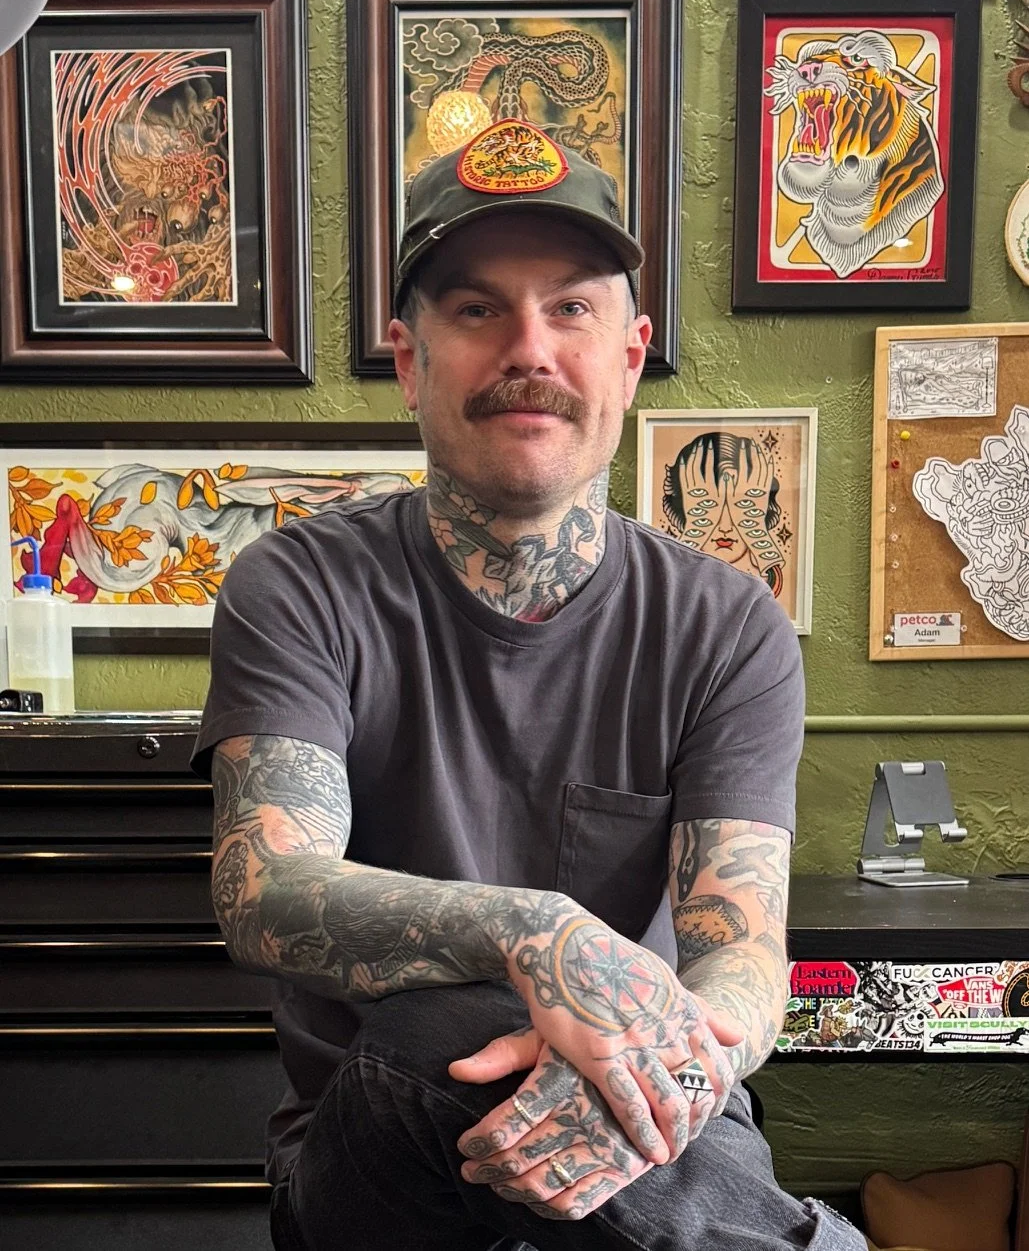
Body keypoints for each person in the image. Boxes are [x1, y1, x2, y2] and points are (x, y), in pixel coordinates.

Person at [192, 119, 864, 1251]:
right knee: (439, 1029)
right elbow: (264, 891)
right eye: (474, 310)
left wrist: (662, 1077)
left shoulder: (729, 626)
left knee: (603, 1081)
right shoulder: (296, 586)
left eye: (571, 308)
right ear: (409, 358)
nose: (528, 348)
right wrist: (534, 932)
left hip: (657, 1129)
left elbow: (740, 962)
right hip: (376, 1162)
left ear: (631, 353)